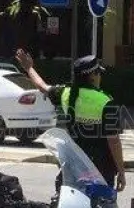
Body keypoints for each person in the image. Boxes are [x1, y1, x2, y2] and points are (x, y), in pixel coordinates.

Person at [15, 50, 127, 194]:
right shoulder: (105, 101)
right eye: (98, 73)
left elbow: (42, 86)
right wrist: (121, 172)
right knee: (102, 205)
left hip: (74, 164)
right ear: (92, 76)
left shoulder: (66, 93)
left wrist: (29, 68)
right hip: (101, 168)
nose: (100, 76)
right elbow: (114, 141)